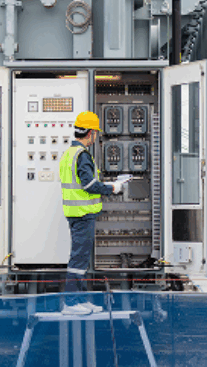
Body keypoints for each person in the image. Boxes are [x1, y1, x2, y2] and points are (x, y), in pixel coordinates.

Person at [58, 111, 127, 315]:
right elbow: (88, 185)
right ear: (90, 133)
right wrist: (112, 188)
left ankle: (80, 299)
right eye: (96, 132)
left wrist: (107, 185)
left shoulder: (70, 153)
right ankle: (70, 303)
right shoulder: (82, 155)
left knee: (82, 259)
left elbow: (83, 184)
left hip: (77, 213)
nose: (96, 136)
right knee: (79, 259)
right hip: (81, 214)